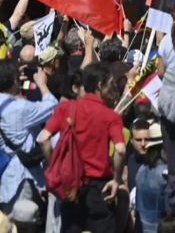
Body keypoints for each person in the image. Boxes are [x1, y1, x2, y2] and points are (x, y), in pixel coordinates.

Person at [39, 62, 126, 233]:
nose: (112, 89)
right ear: (100, 85)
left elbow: (43, 138)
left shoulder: (66, 108)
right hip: (100, 188)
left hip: (71, 186)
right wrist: (116, 179)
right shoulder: (111, 116)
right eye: (110, 84)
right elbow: (120, 149)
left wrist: (54, 165)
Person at [0, 58, 57, 212]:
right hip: (21, 179)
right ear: (15, 81)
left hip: (0, 175)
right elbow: (53, 107)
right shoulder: (19, 108)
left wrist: (19, 87)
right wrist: (42, 84)